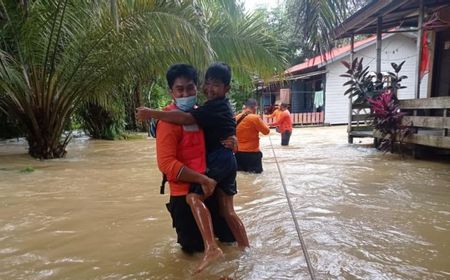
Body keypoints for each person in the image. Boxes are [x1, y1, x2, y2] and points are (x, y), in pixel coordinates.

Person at [136, 62, 249, 272]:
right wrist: (202, 179)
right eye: (180, 89)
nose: (186, 93)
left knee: (227, 245)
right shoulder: (168, 121)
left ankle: (243, 262)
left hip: (210, 188)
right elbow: (167, 164)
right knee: (191, 256)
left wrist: (233, 141)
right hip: (187, 193)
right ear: (172, 92)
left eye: (190, 87)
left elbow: (218, 134)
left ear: (197, 87)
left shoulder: (202, 112)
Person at [235, 98, 270, 173]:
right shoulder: (255, 118)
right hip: (252, 154)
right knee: (255, 177)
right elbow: (266, 131)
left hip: (238, 153)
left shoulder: (236, 118)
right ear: (255, 107)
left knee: (241, 175)